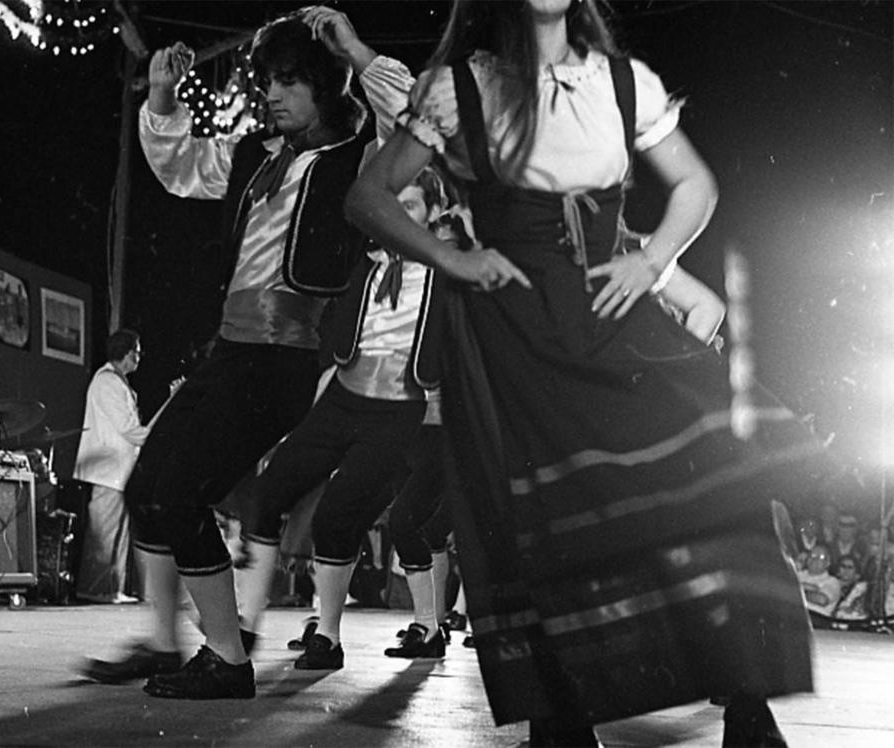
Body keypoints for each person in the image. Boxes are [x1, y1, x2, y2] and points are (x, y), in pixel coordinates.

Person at [346, 1, 830, 745]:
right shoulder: (461, 87)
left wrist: (652, 258)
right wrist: (455, 258)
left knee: (712, 487)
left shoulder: (623, 83)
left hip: (615, 313)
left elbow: (695, 188)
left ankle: (747, 706)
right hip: (516, 327)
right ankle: (562, 723)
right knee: (545, 524)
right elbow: (369, 196)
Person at [78, 7, 412, 700]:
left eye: (289, 82)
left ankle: (227, 660)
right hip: (229, 354)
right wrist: (163, 97)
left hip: (281, 361)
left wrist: (349, 44)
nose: (271, 95)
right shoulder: (254, 158)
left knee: (179, 496)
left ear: (327, 84)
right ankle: (167, 645)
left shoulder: (362, 161)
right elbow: (179, 167)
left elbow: (407, 109)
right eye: (268, 82)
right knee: (146, 491)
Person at [233, 166, 453, 670]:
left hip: (397, 411)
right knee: (269, 492)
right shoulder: (365, 266)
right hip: (341, 400)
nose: (398, 217)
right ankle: (244, 625)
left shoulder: (447, 275)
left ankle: (327, 638)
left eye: (412, 207)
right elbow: (333, 348)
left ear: (433, 214)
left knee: (338, 516)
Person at [73, 329, 148, 604]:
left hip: (119, 470)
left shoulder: (119, 383)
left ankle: (111, 589)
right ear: (126, 353)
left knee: (116, 531)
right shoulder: (107, 382)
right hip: (107, 470)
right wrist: (156, 432)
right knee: (104, 531)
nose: (140, 356)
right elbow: (129, 429)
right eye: (137, 350)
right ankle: (96, 589)